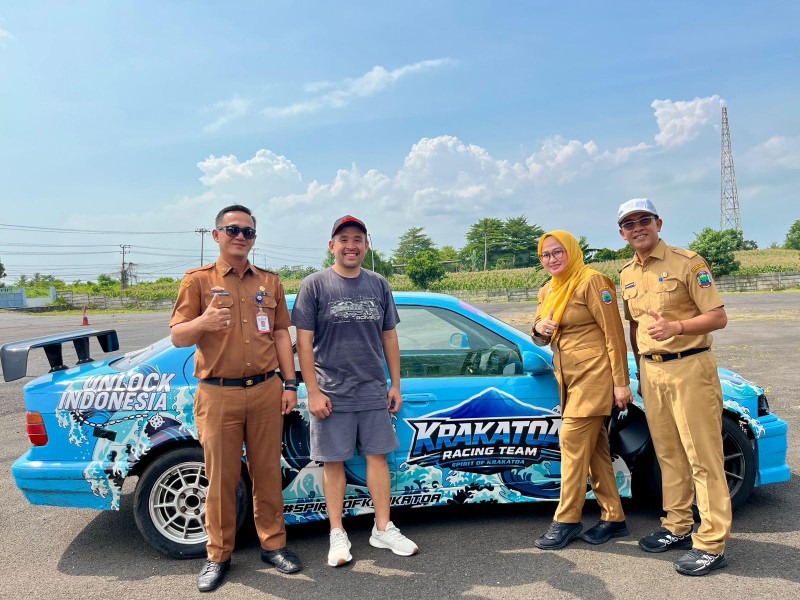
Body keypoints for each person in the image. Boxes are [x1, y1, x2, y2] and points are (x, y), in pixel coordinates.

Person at [170, 204, 302, 592]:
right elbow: (178, 336)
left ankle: (273, 546)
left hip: (265, 390)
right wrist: (203, 322)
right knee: (221, 480)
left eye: (248, 231)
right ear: (216, 235)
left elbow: (281, 334)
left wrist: (290, 385)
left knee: (267, 474)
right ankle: (218, 555)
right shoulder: (197, 281)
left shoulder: (270, 282)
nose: (241, 237)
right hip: (219, 394)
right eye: (233, 230)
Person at [292, 215, 418, 567]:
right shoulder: (314, 285)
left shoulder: (378, 284)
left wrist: (395, 383)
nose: (351, 245)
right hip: (331, 392)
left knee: (378, 457)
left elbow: (389, 336)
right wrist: (313, 392)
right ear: (332, 246)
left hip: (373, 390)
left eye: (358, 239)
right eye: (344, 239)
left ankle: (383, 527)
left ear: (366, 245)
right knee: (334, 462)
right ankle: (337, 532)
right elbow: (304, 342)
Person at [617, 198, 732, 576]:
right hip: (652, 372)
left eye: (644, 220)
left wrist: (677, 327)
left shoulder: (688, 263)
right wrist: (639, 368)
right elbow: (635, 326)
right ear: (622, 233)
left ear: (659, 223)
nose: (638, 227)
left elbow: (718, 317)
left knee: (703, 457)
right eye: (629, 223)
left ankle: (711, 543)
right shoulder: (627, 274)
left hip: (690, 367)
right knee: (669, 454)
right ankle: (678, 525)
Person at [530, 230, 633, 550]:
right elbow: (540, 334)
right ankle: (614, 517)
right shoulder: (549, 289)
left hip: (595, 376)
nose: (552, 259)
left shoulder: (592, 282)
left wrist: (621, 383)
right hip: (568, 380)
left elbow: (614, 335)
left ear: (572, 251)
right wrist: (538, 329)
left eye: (558, 252)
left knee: (572, 443)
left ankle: (567, 519)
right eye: (545, 254)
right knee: (596, 449)